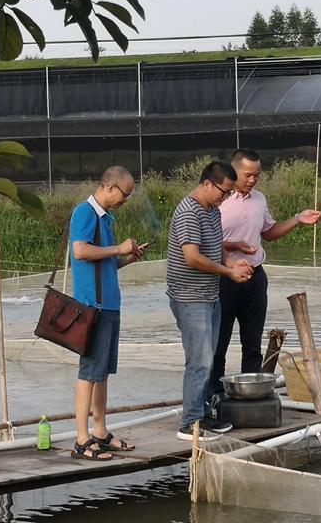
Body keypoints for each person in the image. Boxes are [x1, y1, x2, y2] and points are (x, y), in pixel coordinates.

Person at [209, 149, 321, 396]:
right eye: (247, 175)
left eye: (257, 175)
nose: (252, 180)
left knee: (252, 343)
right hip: (223, 278)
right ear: (234, 171)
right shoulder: (218, 200)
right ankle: (214, 396)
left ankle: (250, 394)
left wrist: (297, 220)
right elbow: (207, 242)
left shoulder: (259, 199)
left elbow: (268, 232)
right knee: (218, 343)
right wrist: (234, 246)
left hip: (254, 278)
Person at [167, 160, 253, 441]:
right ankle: (190, 423)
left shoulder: (212, 211)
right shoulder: (189, 213)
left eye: (229, 193)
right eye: (224, 191)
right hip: (190, 298)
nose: (225, 197)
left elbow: (216, 250)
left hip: (209, 295)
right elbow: (192, 258)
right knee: (199, 361)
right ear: (207, 184)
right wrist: (228, 271)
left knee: (209, 357)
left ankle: (202, 413)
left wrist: (234, 263)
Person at [69, 166, 148, 461]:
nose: (124, 200)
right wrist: (117, 248)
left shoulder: (106, 218)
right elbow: (79, 251)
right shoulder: (85, 212)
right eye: (124, 194)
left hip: (110, 304)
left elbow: (104, 263)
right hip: (92, 306)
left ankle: (100, 432)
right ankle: (81, 438)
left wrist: (126, 256)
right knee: (89, 372)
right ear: (109, 186)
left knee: (102, 373)